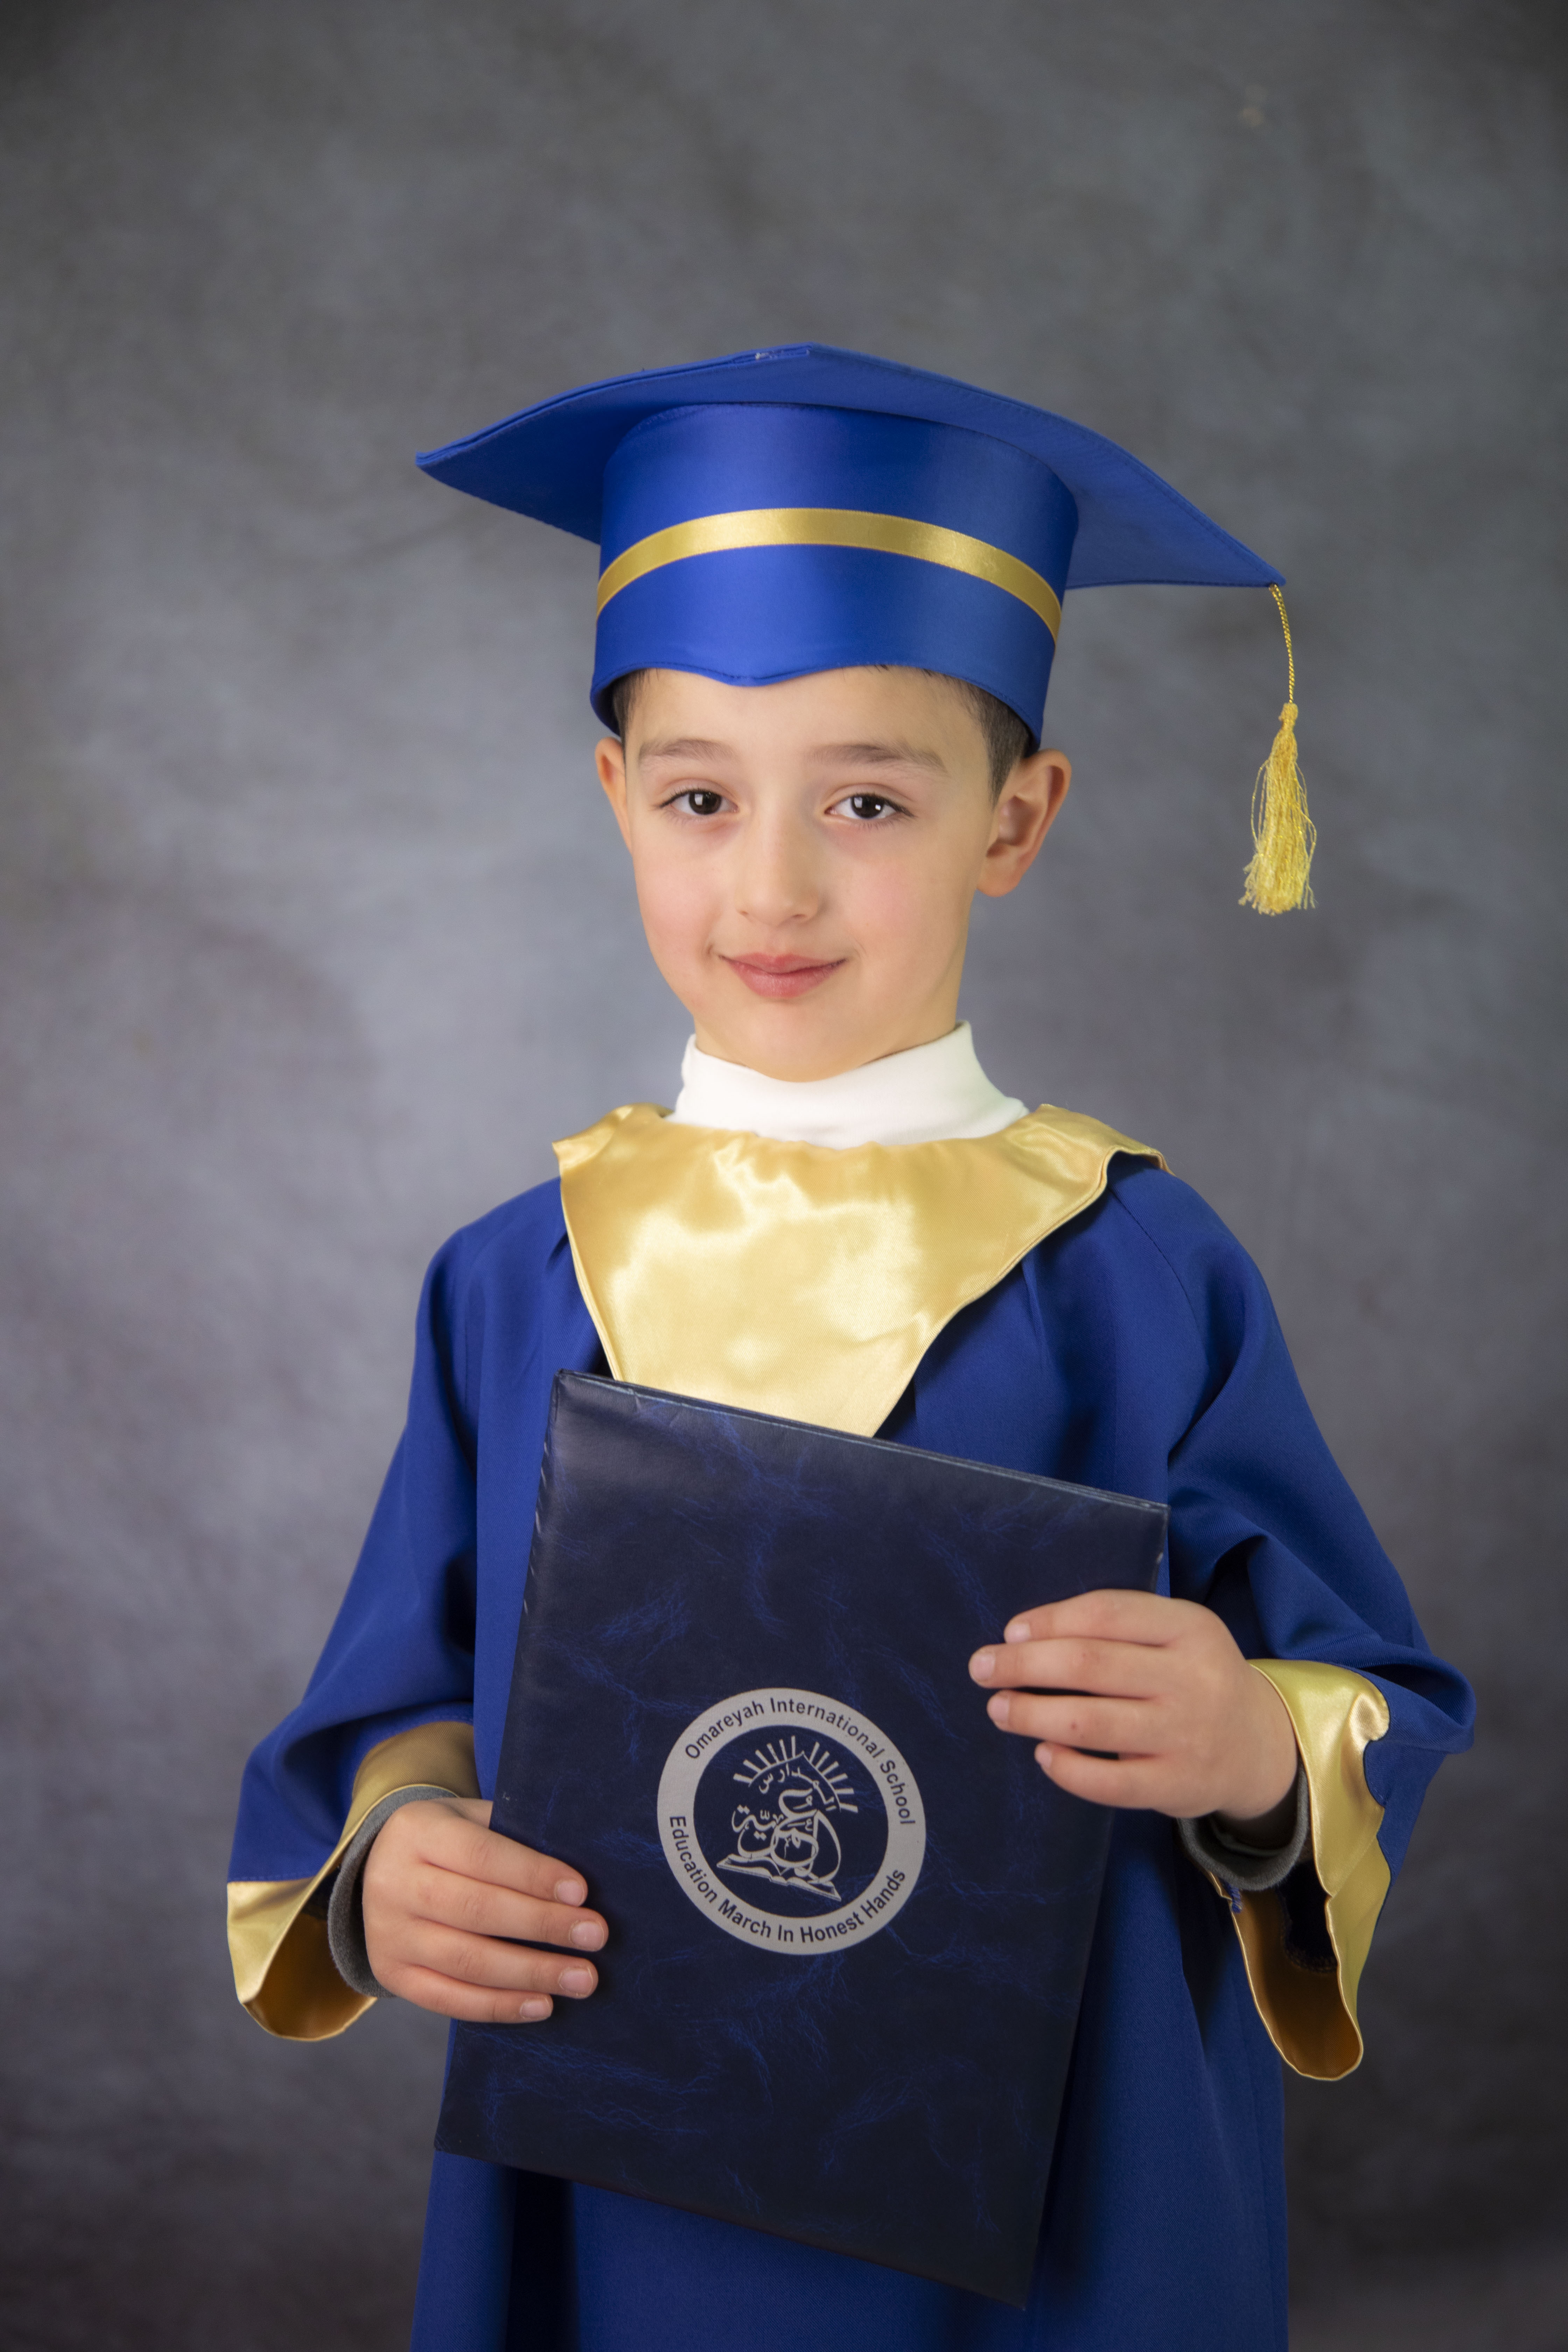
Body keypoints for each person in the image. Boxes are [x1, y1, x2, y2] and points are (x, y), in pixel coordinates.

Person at [227, 346, 1473, 2352]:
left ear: (1017, 820)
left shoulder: (1137, 1270)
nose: (774, 885)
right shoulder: (514, 1278)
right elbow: (406, 1703)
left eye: (870, 800)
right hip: (614, 2189)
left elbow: (1369, 1694)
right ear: (616, 799)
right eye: (701, 796)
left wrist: (1255, 1750)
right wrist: (394, 1866)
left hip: (1062, 2191)